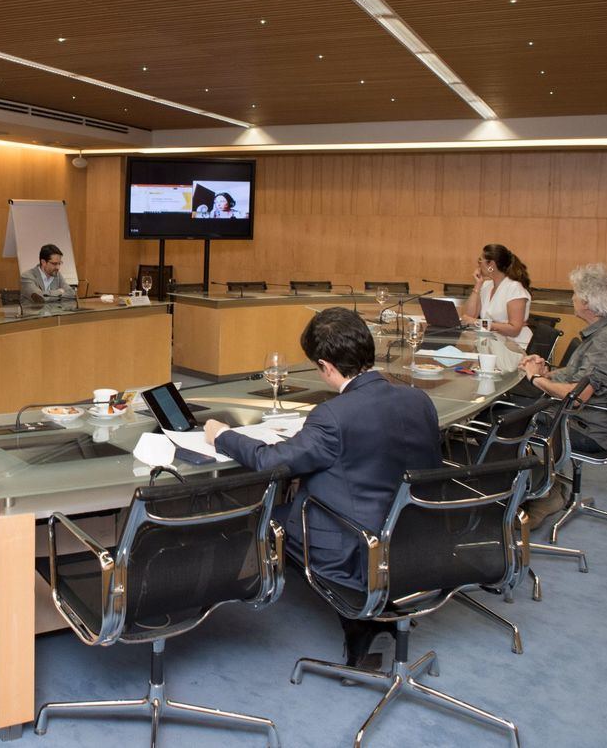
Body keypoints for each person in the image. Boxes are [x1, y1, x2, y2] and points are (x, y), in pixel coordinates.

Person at [203, 307, 442, 671]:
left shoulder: (333, 416)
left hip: (356, 546)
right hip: (418, 538)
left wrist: (223, 436)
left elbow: (271, 462)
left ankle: (354, 617)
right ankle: (370, 618)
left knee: (264, 517)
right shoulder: (417, 399)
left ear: (326, 366)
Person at [518, 263, 607, 528]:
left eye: (575, 294)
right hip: (585, 419)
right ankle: (545, 487)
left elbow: (575, 397)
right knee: (515, 408)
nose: (572, 299)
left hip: (587, 428)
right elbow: (582, 375)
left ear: (587, 303)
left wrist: (535, 378)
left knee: (509, 419)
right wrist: (548, 372)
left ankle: (546, 495)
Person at [461, 243, 532, 347]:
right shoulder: (486, 285)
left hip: (515, 347)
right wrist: (477, 285)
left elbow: (514, 330)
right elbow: (468, 316)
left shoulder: (514, 288)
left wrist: (478, 322)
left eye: (480, 260)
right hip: (493, 343)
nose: (478, 265)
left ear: (491, 265)